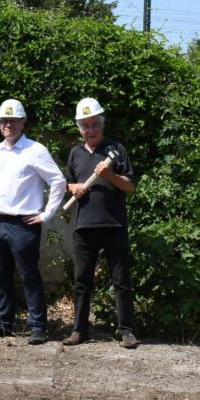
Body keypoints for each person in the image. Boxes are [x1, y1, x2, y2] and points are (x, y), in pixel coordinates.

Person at [0, 99, 66, 345]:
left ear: (23, 122)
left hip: (24, 224)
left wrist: (47, 214)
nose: (8, 125)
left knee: (29, 275)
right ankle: (4, 324)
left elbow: (58, 181)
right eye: (4, 121)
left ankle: (38, 326)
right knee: (1, 276)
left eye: (13, 120)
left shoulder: (35, 150)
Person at [63, 98, 139, 349]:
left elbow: (129, 187)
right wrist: (72, 187)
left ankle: (127, 331)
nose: (90, 129)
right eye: (85, 125)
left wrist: (108, 174)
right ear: (79, 128)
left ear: (101, 124)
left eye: (94, 124)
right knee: (82, 282)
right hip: (84, 228)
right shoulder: (75, 152)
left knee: (121, 281)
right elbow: (69, 183)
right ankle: (79, 330)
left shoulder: (116, 149)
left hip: (114, 226)